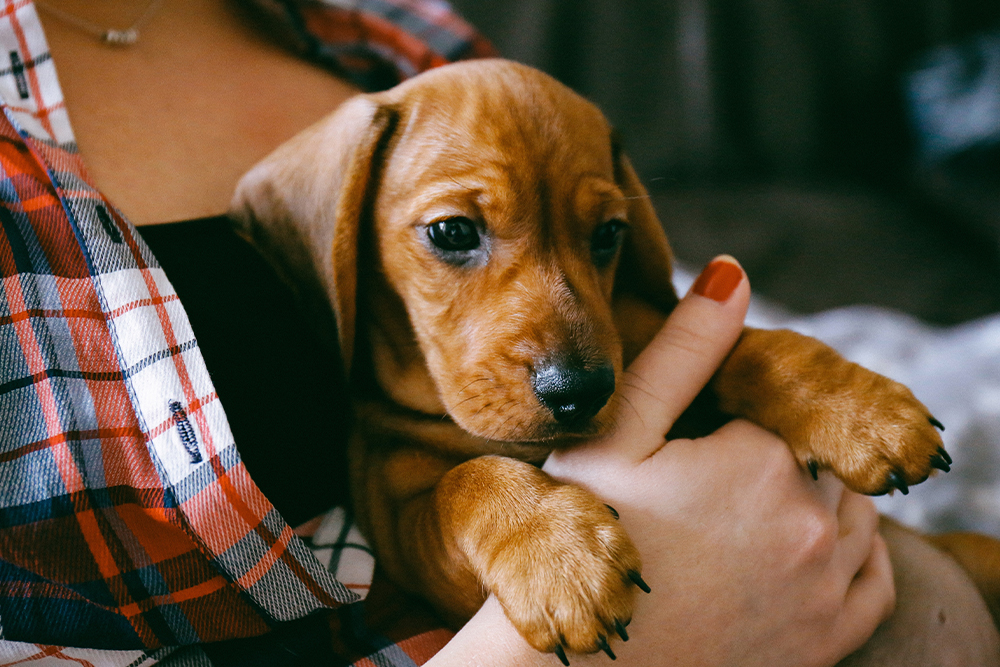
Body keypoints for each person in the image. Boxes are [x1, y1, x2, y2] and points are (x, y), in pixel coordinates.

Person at [0, 1, 994, 665]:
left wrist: (783, 368)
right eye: (455, 236)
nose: (562, 346)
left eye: (602, 235)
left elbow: (666, 320)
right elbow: (426, 519)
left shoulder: (383, 29)